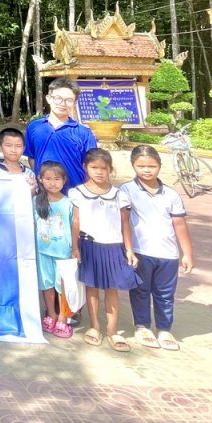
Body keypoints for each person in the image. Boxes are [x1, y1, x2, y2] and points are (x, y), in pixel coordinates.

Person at [120, 145, 194, 351]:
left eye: (152, 166)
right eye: (141, 166)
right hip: (140, 251)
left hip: (168, 254)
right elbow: (124, 222)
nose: (146, 170)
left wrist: (187, 253)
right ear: (133, 166)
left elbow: (179, 224)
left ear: (160, 166)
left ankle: (164, 329)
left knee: (165, 294)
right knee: (140, 291)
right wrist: (128, 249)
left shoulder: (171, 194)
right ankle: (142, 326)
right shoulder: (126, 190)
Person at [70, 148, 140, 353]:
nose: (99, 172)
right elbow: (75, 222)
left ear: (110, 169)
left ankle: (112, 330)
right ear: (85, 167)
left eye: (104, 168)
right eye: (94, 167)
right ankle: (94, 326)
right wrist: (75, 247)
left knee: (112, 288)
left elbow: (125, 224)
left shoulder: (119, 195)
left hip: (113, 246)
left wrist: (129, 249)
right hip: (89, 245)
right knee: (91, 287)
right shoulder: (77, 193)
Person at [26, 78, 98, 190]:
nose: (62, 104)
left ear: (75, 103)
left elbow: (92, 165)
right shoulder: (34, 127)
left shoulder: (84, 133)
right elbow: (32, 157)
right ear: (48, 99)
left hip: (74, 193)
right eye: (58, 98)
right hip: (43, 194)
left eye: (69, 100)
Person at [34, 162, 74, 339]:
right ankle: (51, 314)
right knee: (46, 284)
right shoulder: (35, 202)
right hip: (42, 251)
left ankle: (63, 318)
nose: (52, 183)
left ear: (64, 180)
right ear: (40, 179)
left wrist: (75, 249)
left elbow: (74, 227)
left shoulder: (69, 203)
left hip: (63, 253)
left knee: (63, 287)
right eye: (48, 178)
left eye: (57, 179)